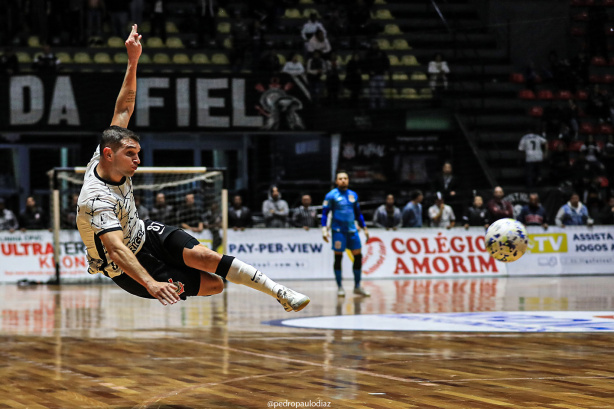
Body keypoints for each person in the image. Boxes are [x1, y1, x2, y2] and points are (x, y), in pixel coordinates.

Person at [75, 25, 309, 311]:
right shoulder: (95, 199)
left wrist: (133, 60)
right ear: (109, 155)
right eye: (131, 154)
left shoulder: (106, 151)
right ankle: (167, 280)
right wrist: (152, 283)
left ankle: (280, 292)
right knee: (215, 284)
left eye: (138, 153)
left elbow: (123, 109)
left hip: (144, 232)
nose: (138, 160)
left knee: (207, 256)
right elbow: (116, 249)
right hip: (124, 266)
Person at [322, 170, 370, 298]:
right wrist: (324, 229)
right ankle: (340, 287)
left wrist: (364, 227)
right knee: (338, 257)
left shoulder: (353, 195)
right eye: (340, 178)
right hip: (338, 231)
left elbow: (358, 213)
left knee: (358, 256)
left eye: (345, 178)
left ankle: (357, 286)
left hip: (352, 230)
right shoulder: (331, 195)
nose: (343, 180)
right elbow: (325, 213)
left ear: (348, 180)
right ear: (336, 181)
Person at [363, 41, 390, 109]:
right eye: (373, 45)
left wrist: (386, 70)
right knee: (373, 91)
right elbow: (366, 64)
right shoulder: (369, 54)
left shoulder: (382, 53)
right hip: (373, 76)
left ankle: (382, 105)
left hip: (381, 75)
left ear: (377, 45)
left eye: (375, 45)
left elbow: (386, 62)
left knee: (381, 91)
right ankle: (373, 106)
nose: (374, 46)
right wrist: (369, 71)